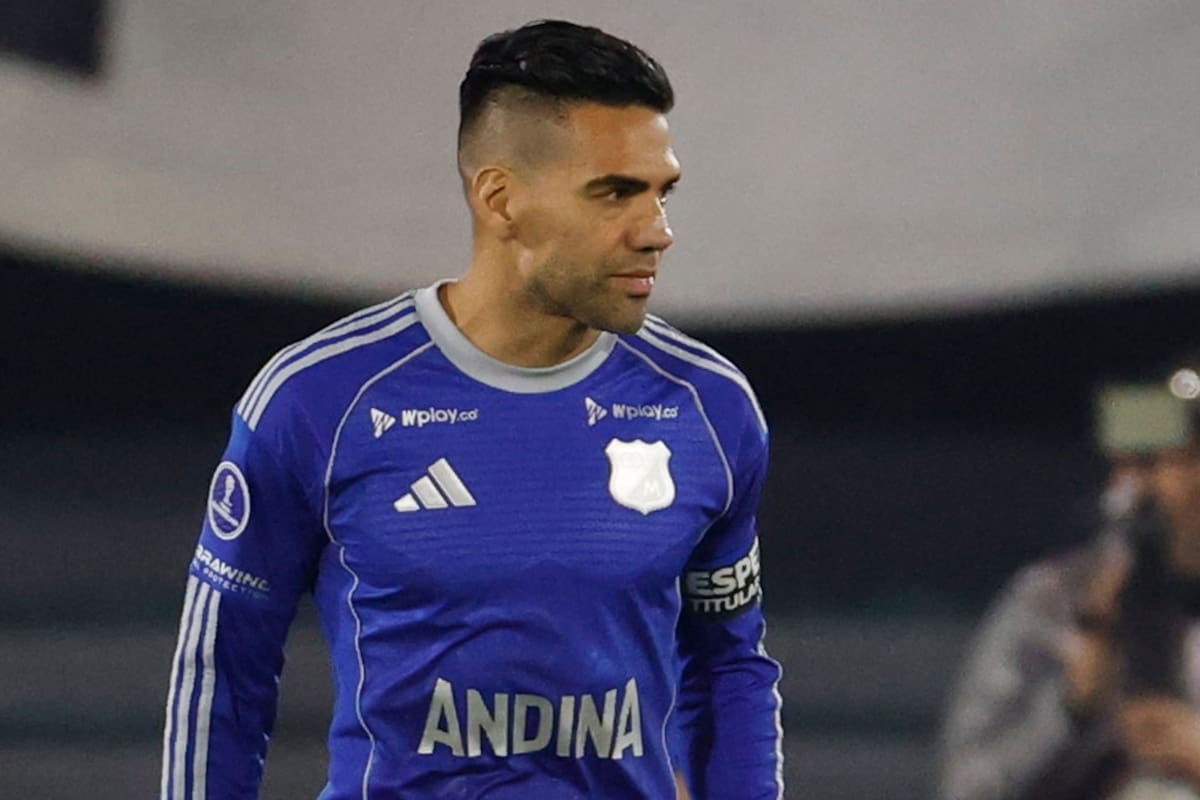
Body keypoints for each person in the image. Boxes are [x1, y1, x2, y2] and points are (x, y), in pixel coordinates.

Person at [159, 19, 783, 800]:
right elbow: (222, 673)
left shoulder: (709, 408)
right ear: (500, 198)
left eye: (662, 191)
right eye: (615, 192)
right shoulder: (320, 399)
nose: (657, 231)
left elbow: (729, 670)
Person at [938, 362, 1200, 800]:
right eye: (1128, 465)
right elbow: (966, 787)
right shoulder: (1056, 601)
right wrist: (1071, 710)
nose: (1135, 489)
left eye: (1158, 462)